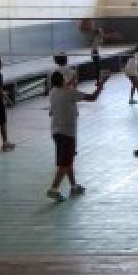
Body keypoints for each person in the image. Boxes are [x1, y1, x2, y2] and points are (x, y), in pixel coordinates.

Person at [46, 70, 106, 202]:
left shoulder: (52, 93)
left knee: (67, 161)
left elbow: (65, 87)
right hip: (68, 132)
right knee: (65, 163)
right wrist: (100, 86)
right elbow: (93, 97)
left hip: (56, 132)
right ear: (62, 80)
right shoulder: (70, 92)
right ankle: (53, 189)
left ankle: (73, 186)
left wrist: (71, 81)